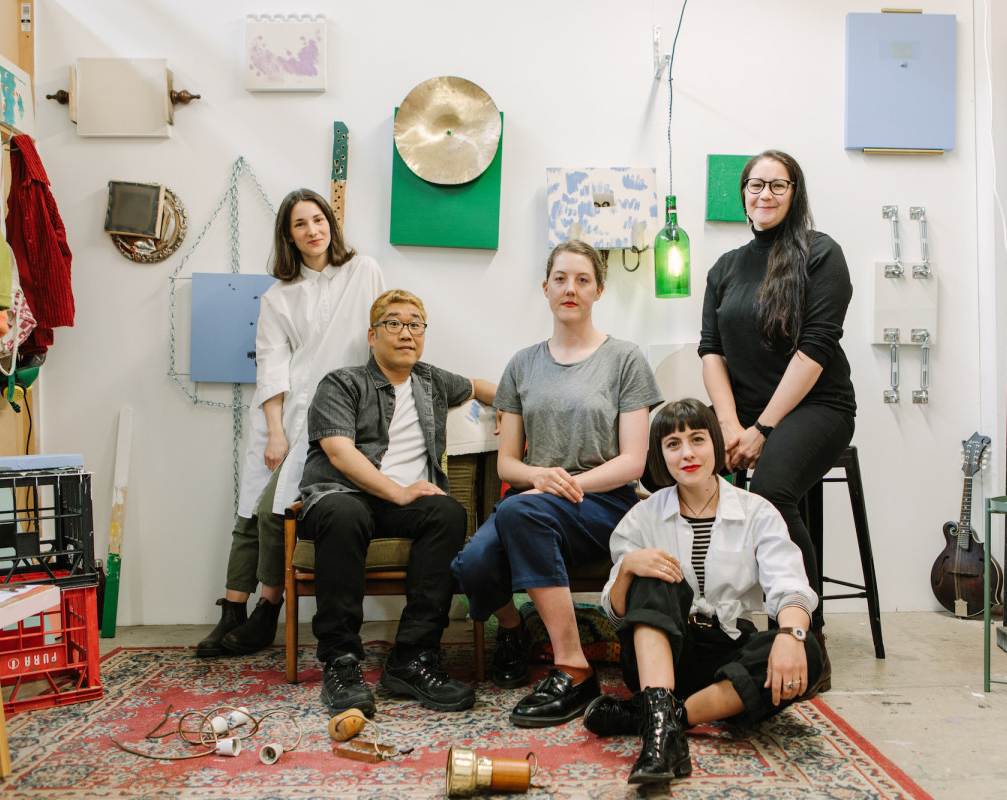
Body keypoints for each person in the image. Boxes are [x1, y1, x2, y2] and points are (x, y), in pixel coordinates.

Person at [452, 240, 663, 728]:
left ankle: (574, 666)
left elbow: (634, 461)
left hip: (604, 503)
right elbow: (508, 463)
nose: (571, 288)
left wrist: (564, 487)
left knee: (518, 511)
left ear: (599, 290)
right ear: (545, 288)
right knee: (472, 564)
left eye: (582, 280)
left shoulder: (625, 359)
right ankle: (512, 630)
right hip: (532, 501)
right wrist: (540, 479)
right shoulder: (521, 365)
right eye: (561, 278)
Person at [586, 398, 822, 786]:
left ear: (715, 444)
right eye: (673, 444)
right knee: (653, 573)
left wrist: (792, 634)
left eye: (697, 439)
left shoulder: (758, 512)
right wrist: (628, 569)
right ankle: (661, 718)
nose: (688, 453)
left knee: (808, 649)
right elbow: (615, 613)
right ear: (660, 457)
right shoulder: (641, 517)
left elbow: (789, 583)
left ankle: (662, 719)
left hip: (729, 656)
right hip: (663, 656)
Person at [196, 189, 384, 658]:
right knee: (248, 514)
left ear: (331, 224)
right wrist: (276, 429)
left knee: (271, 510)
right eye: (300, 224)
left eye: (318, 220)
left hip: (339, 410)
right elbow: (273, 367)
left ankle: (267, 609)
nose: (312, 231)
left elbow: (379, 336)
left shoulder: (363, 271)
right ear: (288, 236)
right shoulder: (278, 296)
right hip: (284, 411)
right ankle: (233, 611)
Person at [699, 150, 855, 695]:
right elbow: (710, 351)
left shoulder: (820, 253)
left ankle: (804, 640)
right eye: (755, 185)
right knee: (687, 471)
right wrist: (728, 426)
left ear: (795, 192)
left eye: (778, 185)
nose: (764, 194)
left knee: (768, 489)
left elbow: (814, 351)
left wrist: (762, 430)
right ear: (742, 192)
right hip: (742, 417)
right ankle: (717, 622)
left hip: (817, 407)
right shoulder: (724, 267)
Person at [299, 289, 496, 714]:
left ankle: (412, 658)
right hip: (341, 497)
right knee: (345, 511)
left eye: (415, 324)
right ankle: (341, 661)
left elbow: (481, 387)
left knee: (446, 511)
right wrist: (398, 490)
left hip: (401, 506)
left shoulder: (431, 380)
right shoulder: (342, 382)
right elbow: (338, 452)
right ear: (372, 335)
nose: (406, 332)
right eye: (394, 323)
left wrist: (523, 419)